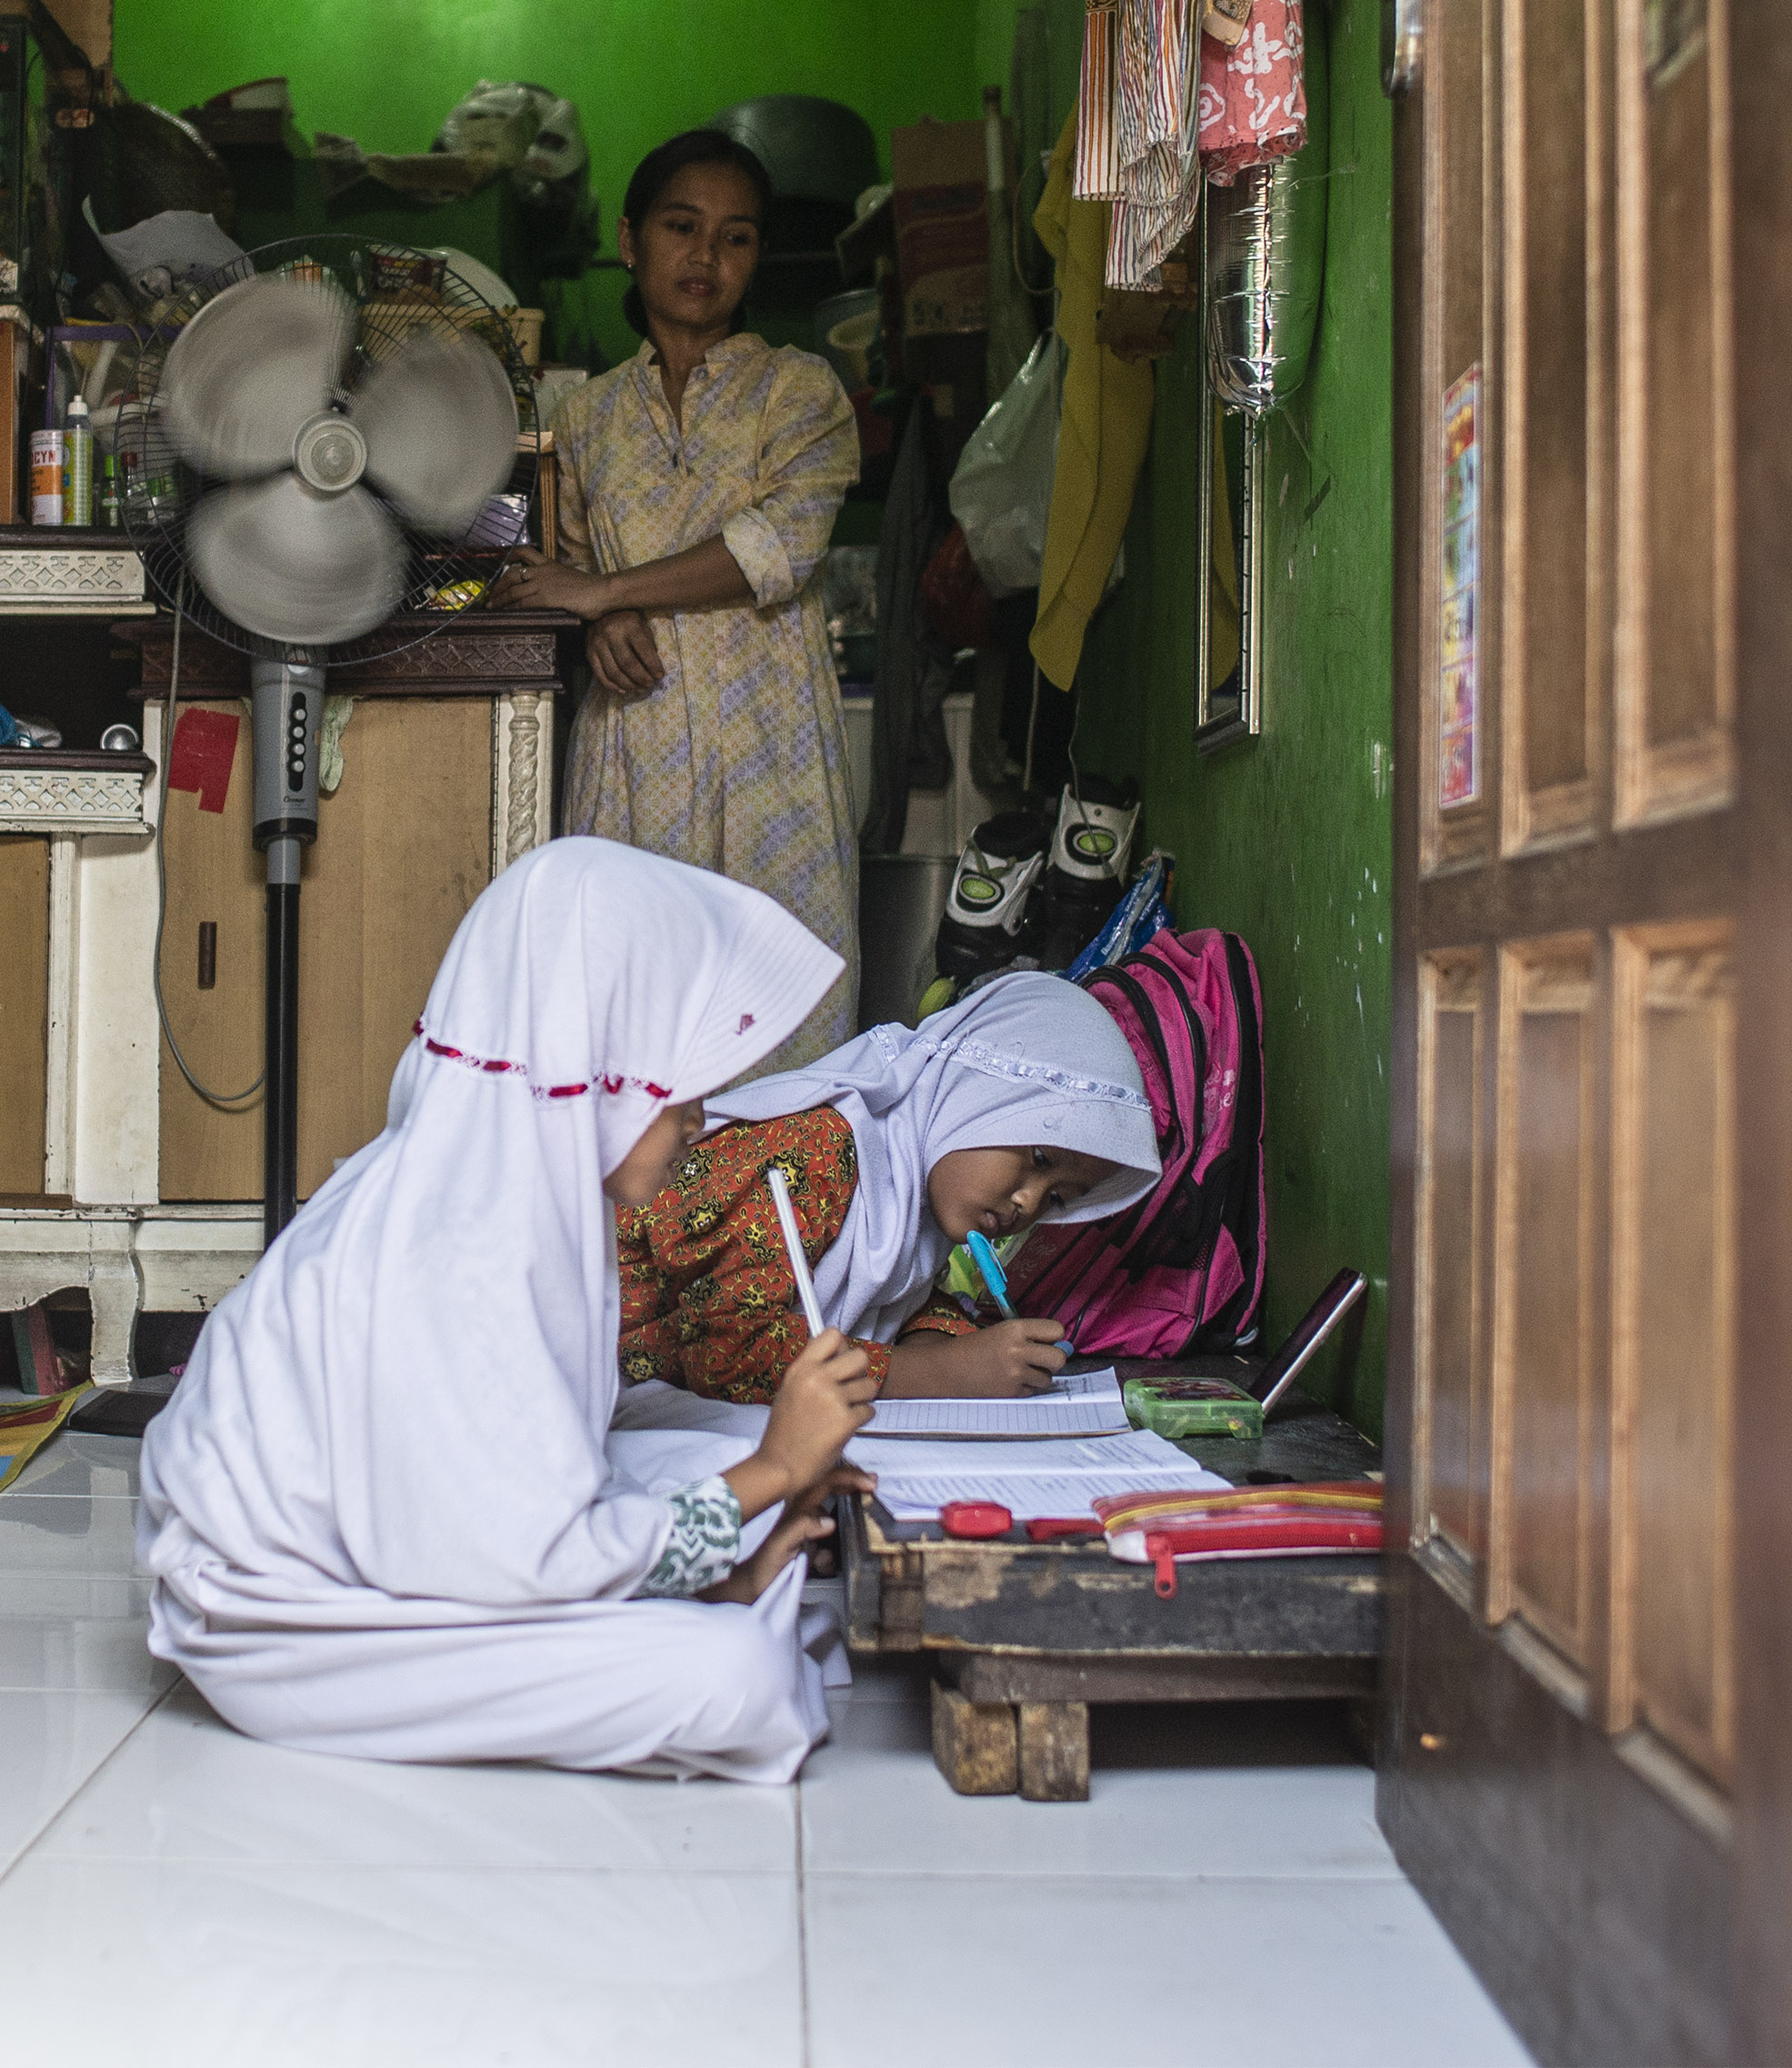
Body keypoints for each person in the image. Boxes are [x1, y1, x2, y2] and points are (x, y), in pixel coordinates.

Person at [140, 838, 879, 1783]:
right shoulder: (464, 1245)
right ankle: (712, 1599)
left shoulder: (511, 1186)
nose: (698, 1117)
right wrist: (774, 1472)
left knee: (699, 1454)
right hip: (291, 1627)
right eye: (677, 1081)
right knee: (733, 1675)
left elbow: (522, 1490)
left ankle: (714, 1583)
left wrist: (743, 1504)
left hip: (419, 1558)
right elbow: (525, 1556)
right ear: (602, 1064)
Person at [487, 129, 864, 1063]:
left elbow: (778, 546)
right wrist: (603, 616)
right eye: (681, 226)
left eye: (735, 237)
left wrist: (607, 589)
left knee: (783, 1036)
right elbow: (565, 565)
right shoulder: (586, 417)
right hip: (636, 755)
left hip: (771, 759)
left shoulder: (800, 392)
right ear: (629, 240)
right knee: (631, 1043)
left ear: (757, 259)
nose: (705, 256)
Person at [618, 973, 1161, 1406]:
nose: (1028, 1203)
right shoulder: (814, 1150)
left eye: (1058, 1198)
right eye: (1038, 1157)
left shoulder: (914, 1200)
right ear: (973, 1095)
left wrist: (935, 1339)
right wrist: (934, 1373)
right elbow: (726, 1352)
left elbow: (908, 1296)